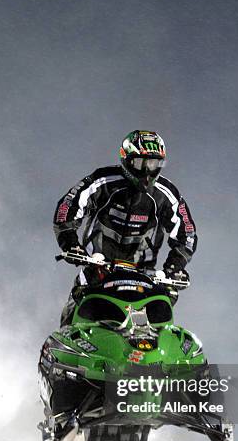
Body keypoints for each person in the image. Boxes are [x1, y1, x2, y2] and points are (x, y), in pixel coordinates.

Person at [54, 130, 198, 325]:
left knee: (162, 316)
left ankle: (169, 352)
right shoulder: (103, 181)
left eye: (153, 164)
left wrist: (175, 266)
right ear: (127, 160)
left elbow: (187, 232)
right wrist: (70, 243)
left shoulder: (166, 193)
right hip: (99, 270)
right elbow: (67, 207)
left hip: (146, 277)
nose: (147, 171)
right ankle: (69, 351)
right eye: (140, 163)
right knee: (71, 319)